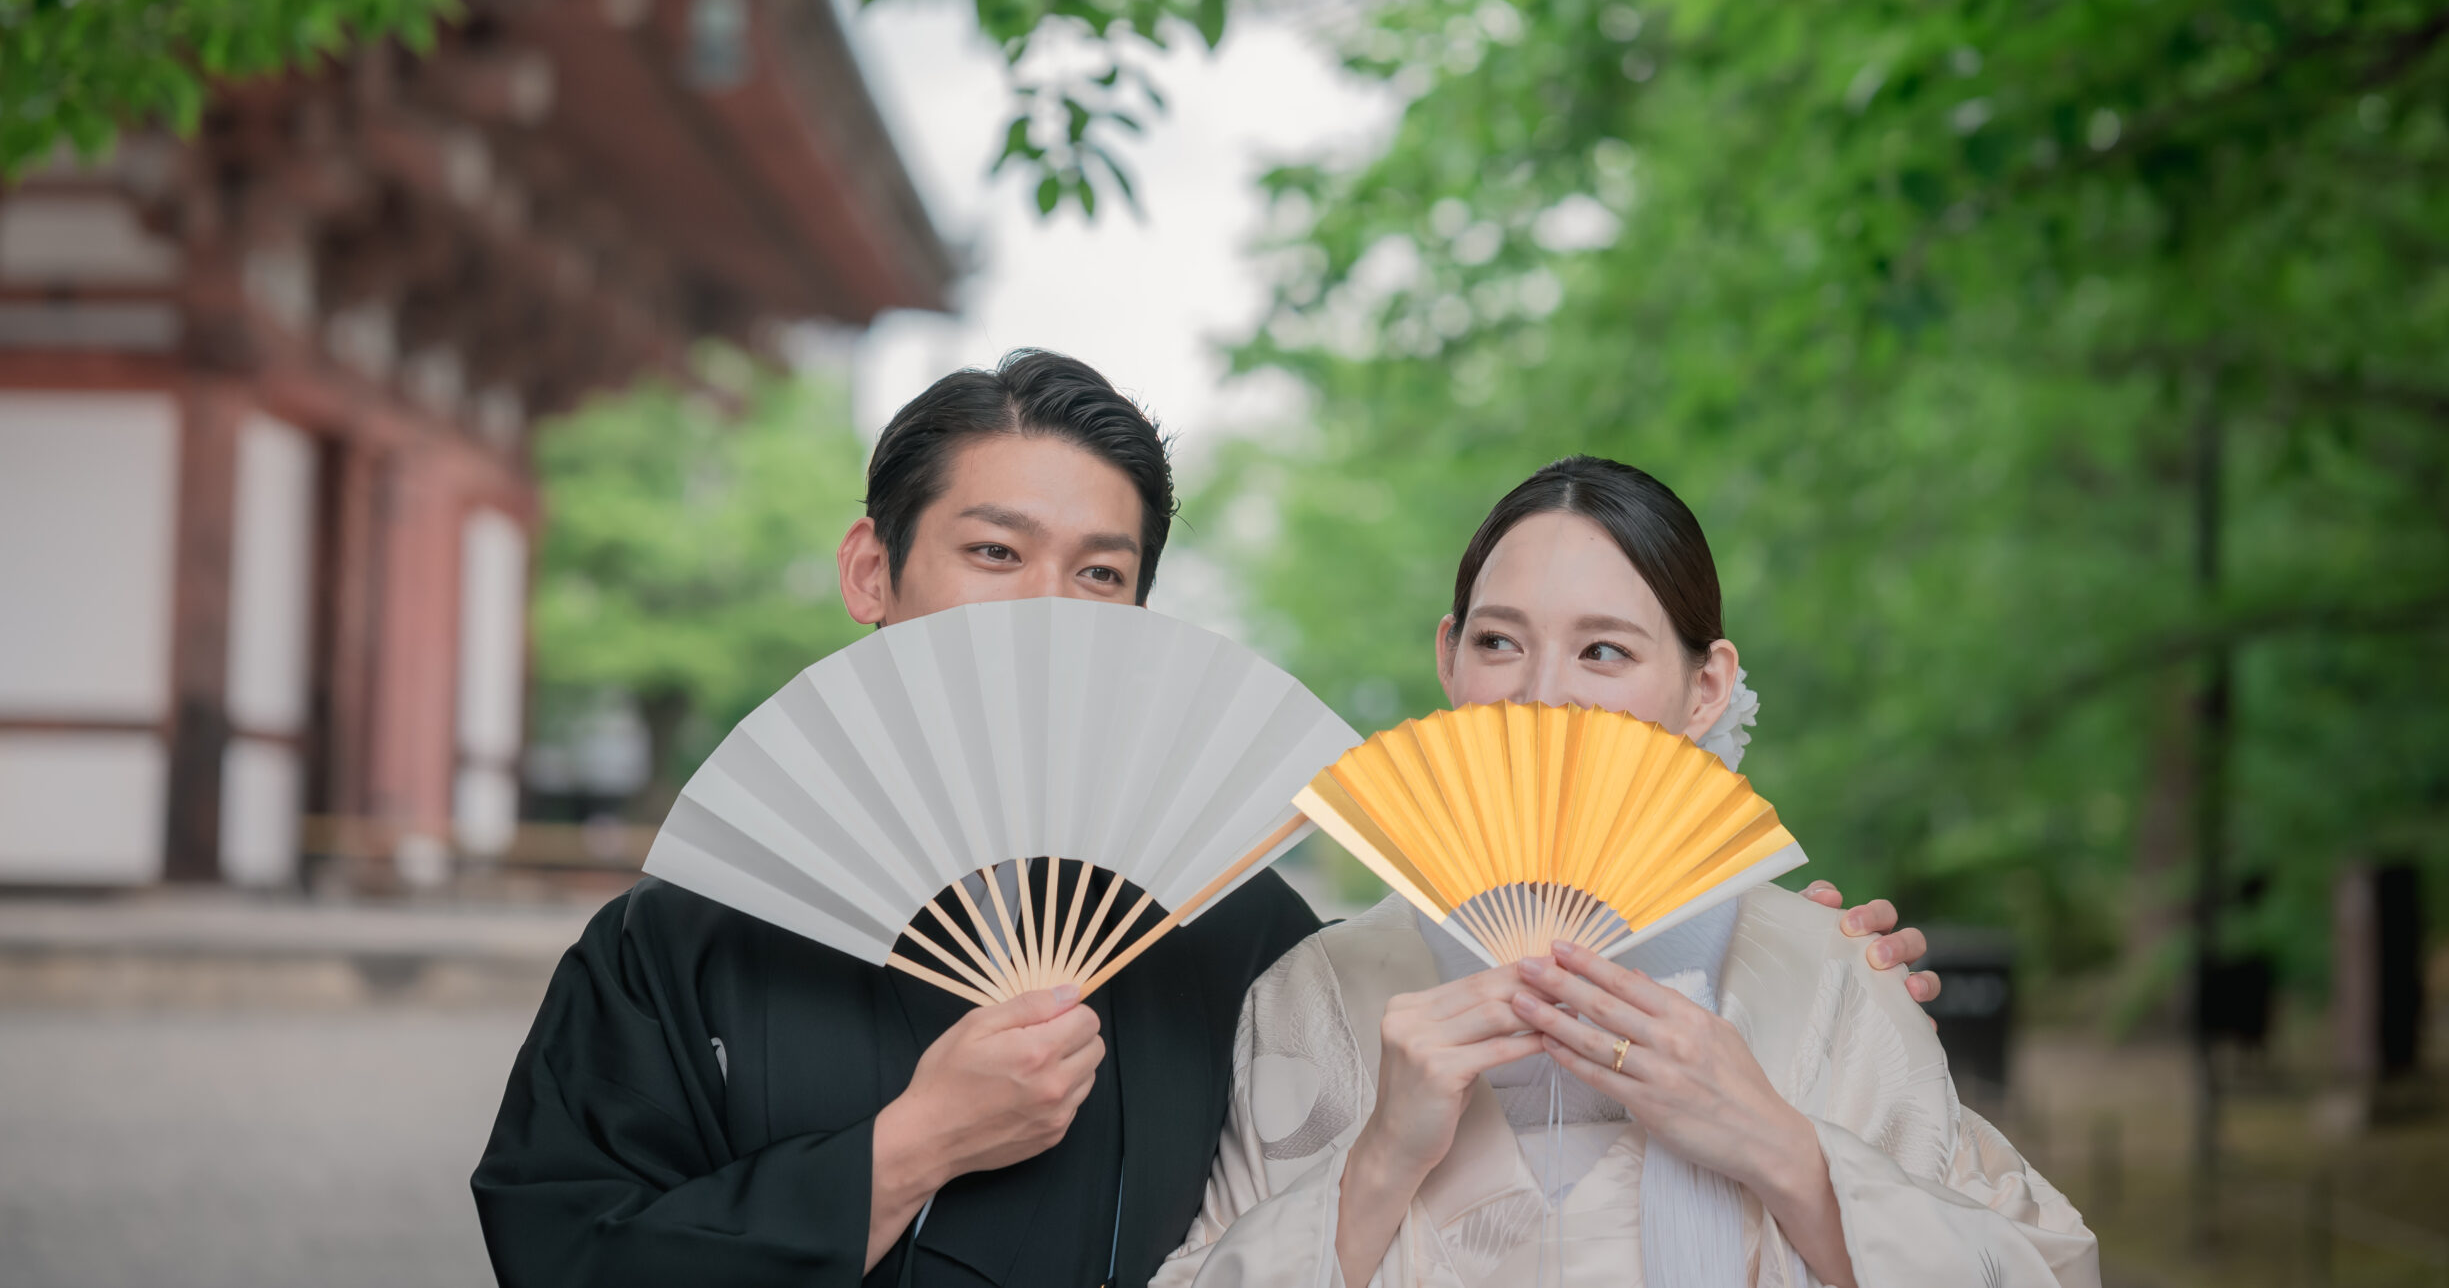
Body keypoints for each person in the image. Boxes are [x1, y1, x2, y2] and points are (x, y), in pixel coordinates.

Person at [473, 355, 1938, 1288]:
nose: (1051, 609)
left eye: (1102, 573)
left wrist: (1763, 962)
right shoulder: (684, 939)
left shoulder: (1231, 929)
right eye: (996, 550)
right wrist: (908, 1146)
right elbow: (555, 1246)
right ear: (875, 568)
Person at [1155, 457, 2099, 1288]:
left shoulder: (1834, 977)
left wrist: (1784, 1151)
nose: (1542, 693)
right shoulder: (1320, 992)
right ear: (1448, 660)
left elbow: (2041, 1270)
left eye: (1604, 650)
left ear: (1706, 689)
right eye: (1498, 642)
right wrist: (1379, 1164)